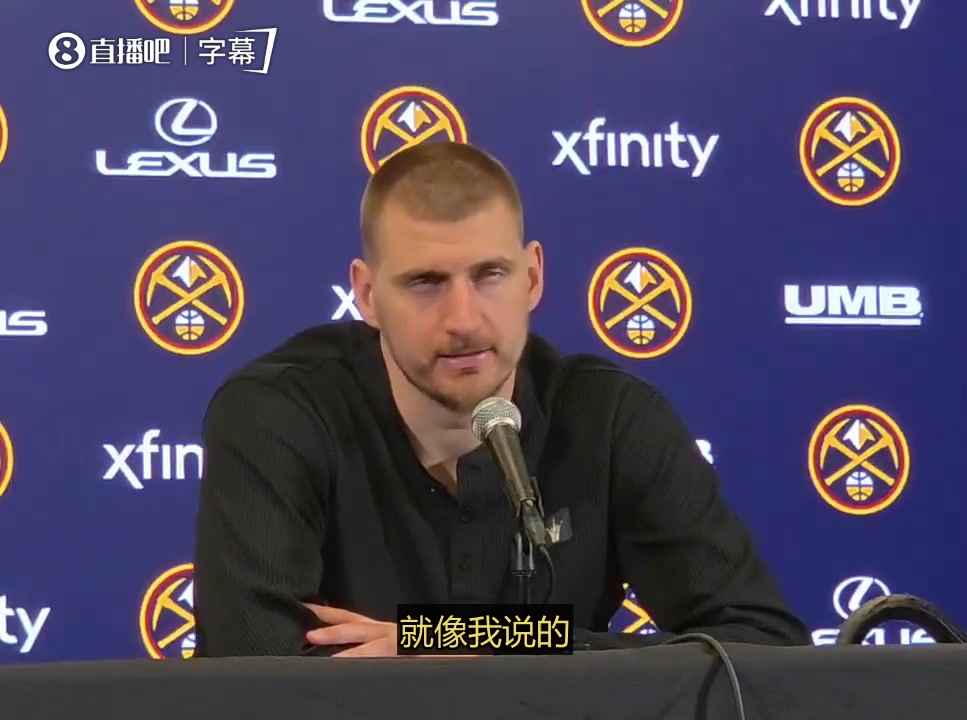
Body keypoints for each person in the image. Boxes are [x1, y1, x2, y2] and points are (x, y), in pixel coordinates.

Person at [192, 141, 810, 658]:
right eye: (425, 283)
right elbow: (250, 668)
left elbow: (765, 646)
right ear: (367, 295)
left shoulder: (612, 418)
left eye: (490, 275)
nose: (464, 320)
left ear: (532, 277)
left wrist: (455, 641)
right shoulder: (277, 413)